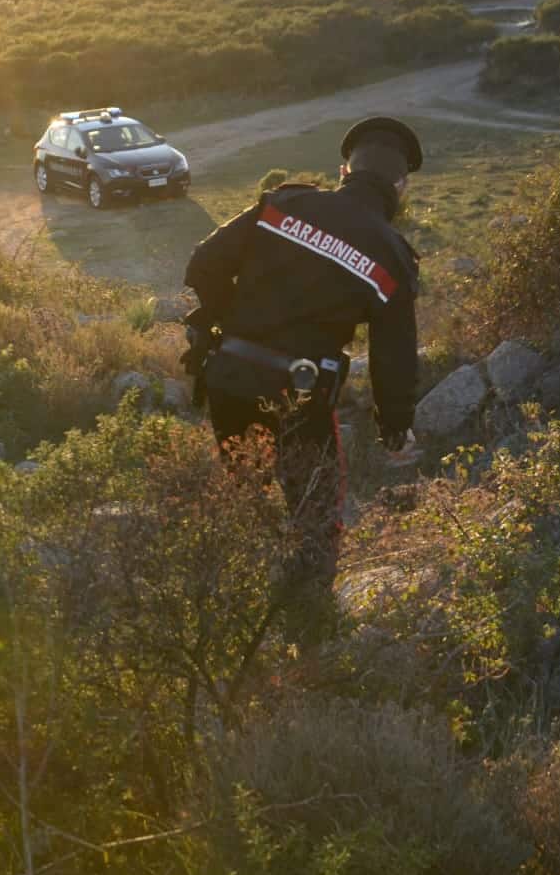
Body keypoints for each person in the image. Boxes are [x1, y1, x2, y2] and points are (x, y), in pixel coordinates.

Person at [180, 116, 422, 642]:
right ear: (400, 186)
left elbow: (202, 263)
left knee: (242, 495)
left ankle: (225, 614)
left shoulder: (283, 204)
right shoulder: (391, 256)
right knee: (314, 512)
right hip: (300, 396)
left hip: (230, 379)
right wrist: (395, 424)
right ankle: (308, 636)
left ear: (344, 171)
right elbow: (394, 354)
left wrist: (229, 321)